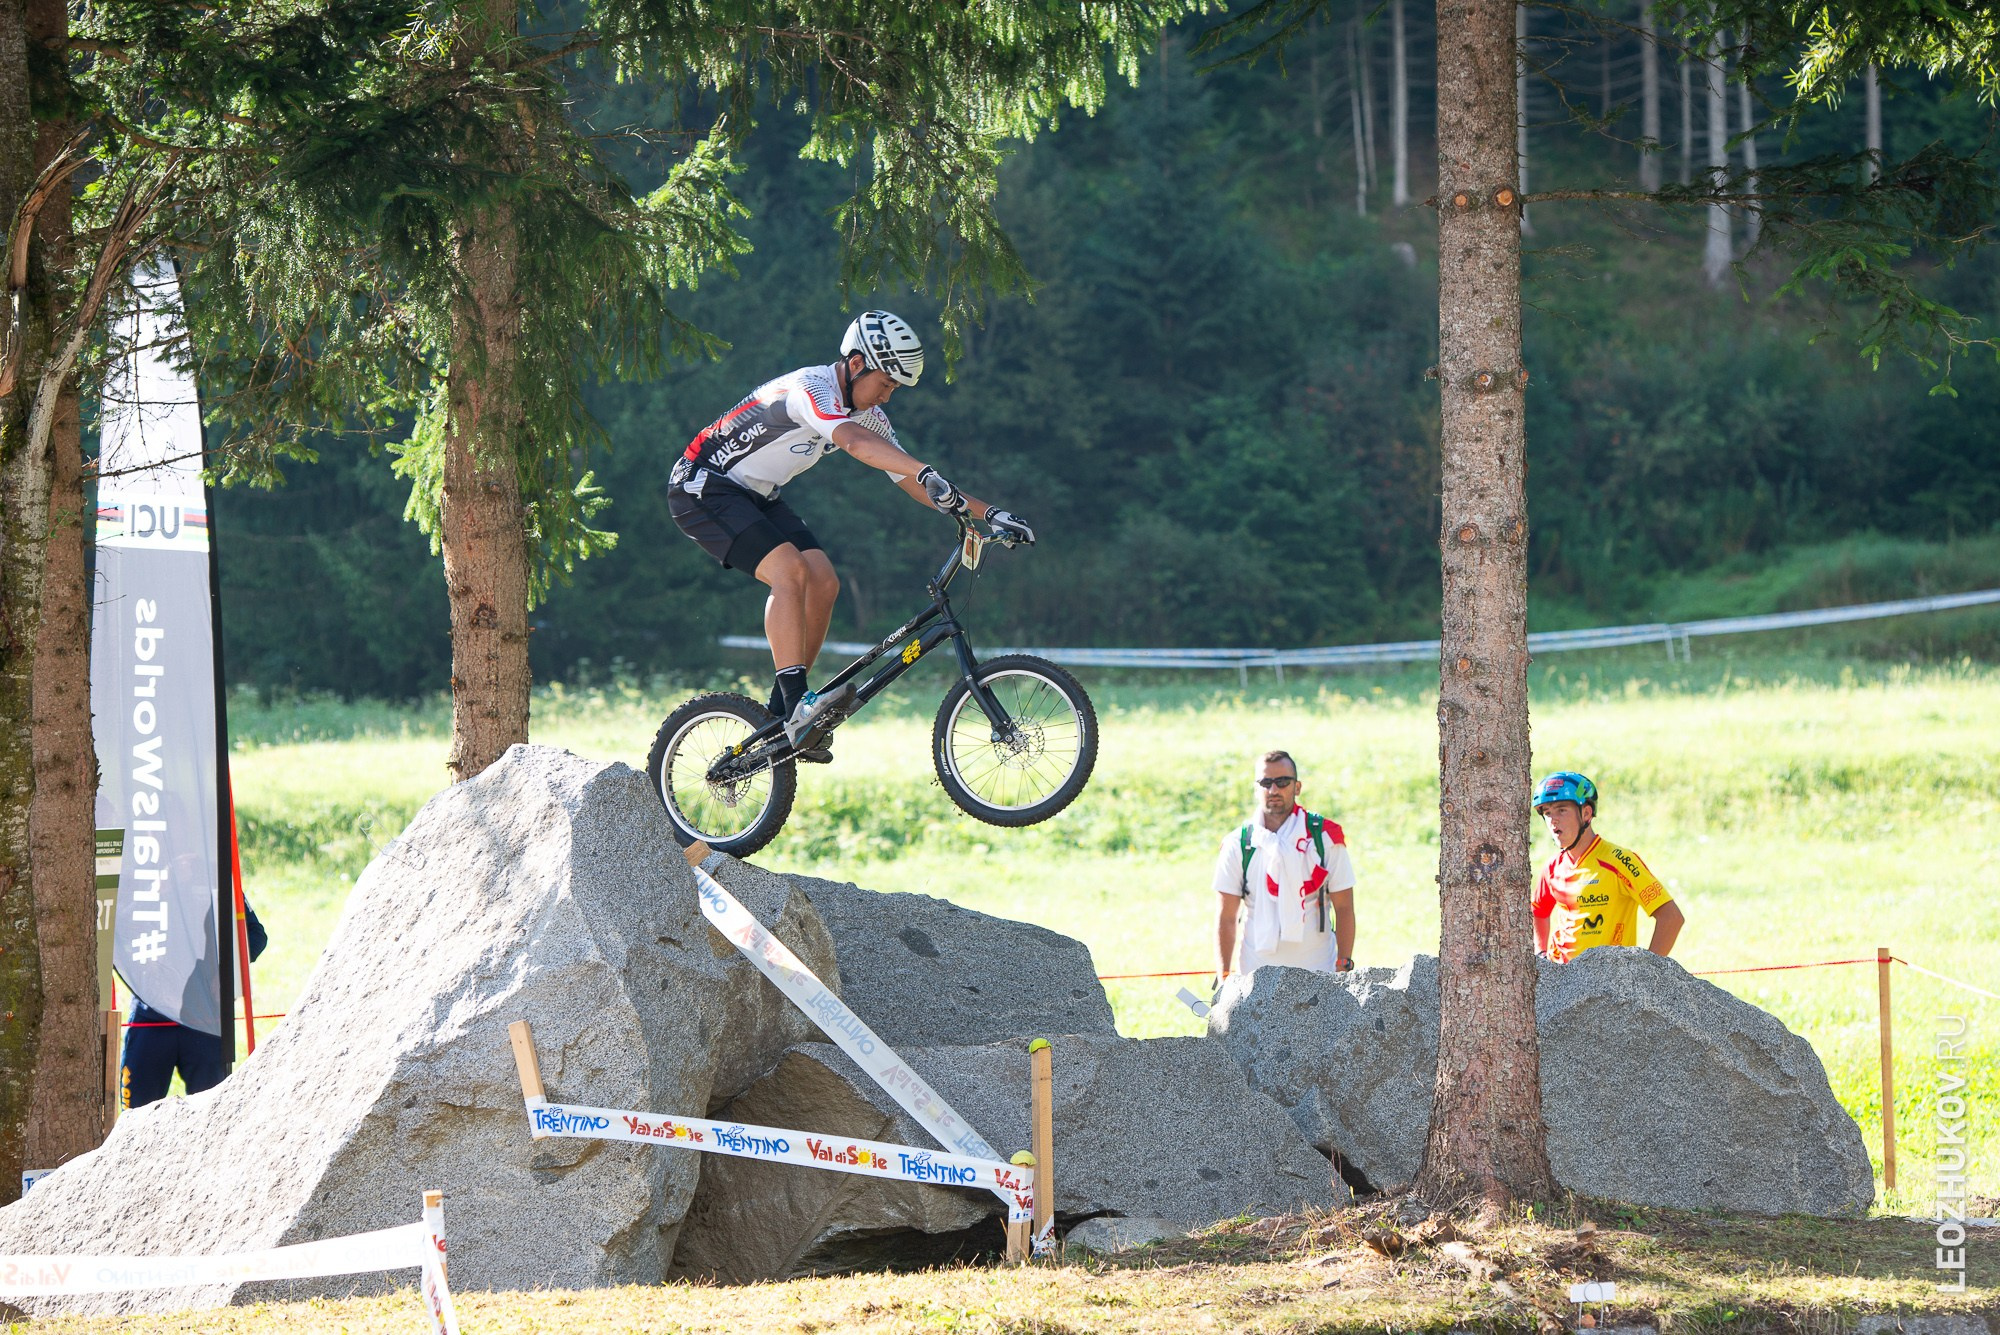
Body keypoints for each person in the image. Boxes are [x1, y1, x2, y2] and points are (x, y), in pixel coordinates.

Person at [668, 311, 1034, 760]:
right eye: (886, 383)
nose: (887, 396)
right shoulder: (810, 387)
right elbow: (857, 445)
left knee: (824, 581)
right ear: (857, 363)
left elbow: (909, 478)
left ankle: (783, 713)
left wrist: (990, 512)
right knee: (791, 572)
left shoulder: (870, 414)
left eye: (896, 389)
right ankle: (799, 701)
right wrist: (923, 470)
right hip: (702, 485)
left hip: (757, 494)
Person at [1213, 750, 1356, 983]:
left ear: (1297, 787)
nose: (1273, 790)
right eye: (1266, 782)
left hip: (1319, 971)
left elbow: (1344, 907)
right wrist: (1224, 976)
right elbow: (1226, 916)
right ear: (1256, 788)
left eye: (1282, 782)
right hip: (1255, 975)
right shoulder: (1237, 844)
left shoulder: (1325, 838)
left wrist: (1343, 966)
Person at [122, 901, 266, 1108]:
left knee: (213, 1112)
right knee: (135, 1112)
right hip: (152, 1018)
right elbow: (118, 930)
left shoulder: (216, 877)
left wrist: (224, 968)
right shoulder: (147, 877)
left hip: (204, 1019)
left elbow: (256, 936)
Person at [1531, 771, 1684, 962]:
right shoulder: (1553, 866)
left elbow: (1671, 918)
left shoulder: (1619, 860)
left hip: (1608, 980)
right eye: (1547, 813)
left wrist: (1647, 970)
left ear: (1586, 813)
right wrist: (1541, 953)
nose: (1553, 820)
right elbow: (1538, 910)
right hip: (1561, 979)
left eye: (1562, 810)